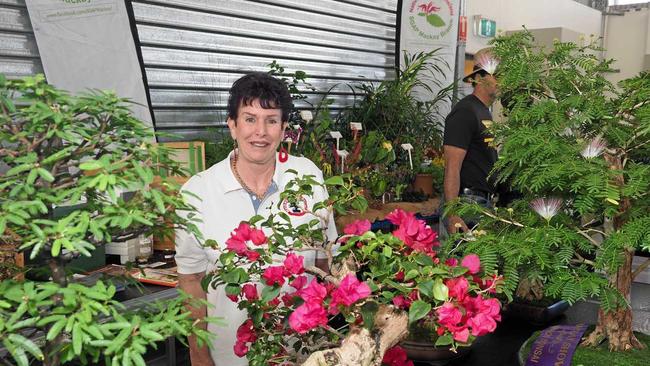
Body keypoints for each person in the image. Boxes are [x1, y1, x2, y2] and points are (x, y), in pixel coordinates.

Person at [174, 72, 337, 366]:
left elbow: (326, 261)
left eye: (271, 120)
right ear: (232, 126)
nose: (260, 131)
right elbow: (191, 280)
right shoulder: (198, 192)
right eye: (249, 119)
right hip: (228, 355)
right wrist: (199, 354)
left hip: (301, 352)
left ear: (284, 128)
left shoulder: (307, 176)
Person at [442, 54, 499, 235]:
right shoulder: (466, 111)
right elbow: (452, 166)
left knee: (481, 262)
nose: (502, 81)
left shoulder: (484, 111)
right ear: (479, 78)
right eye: (497, 75)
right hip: (467, 203)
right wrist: (452, 214)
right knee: (466, 261)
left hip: (481, 202)